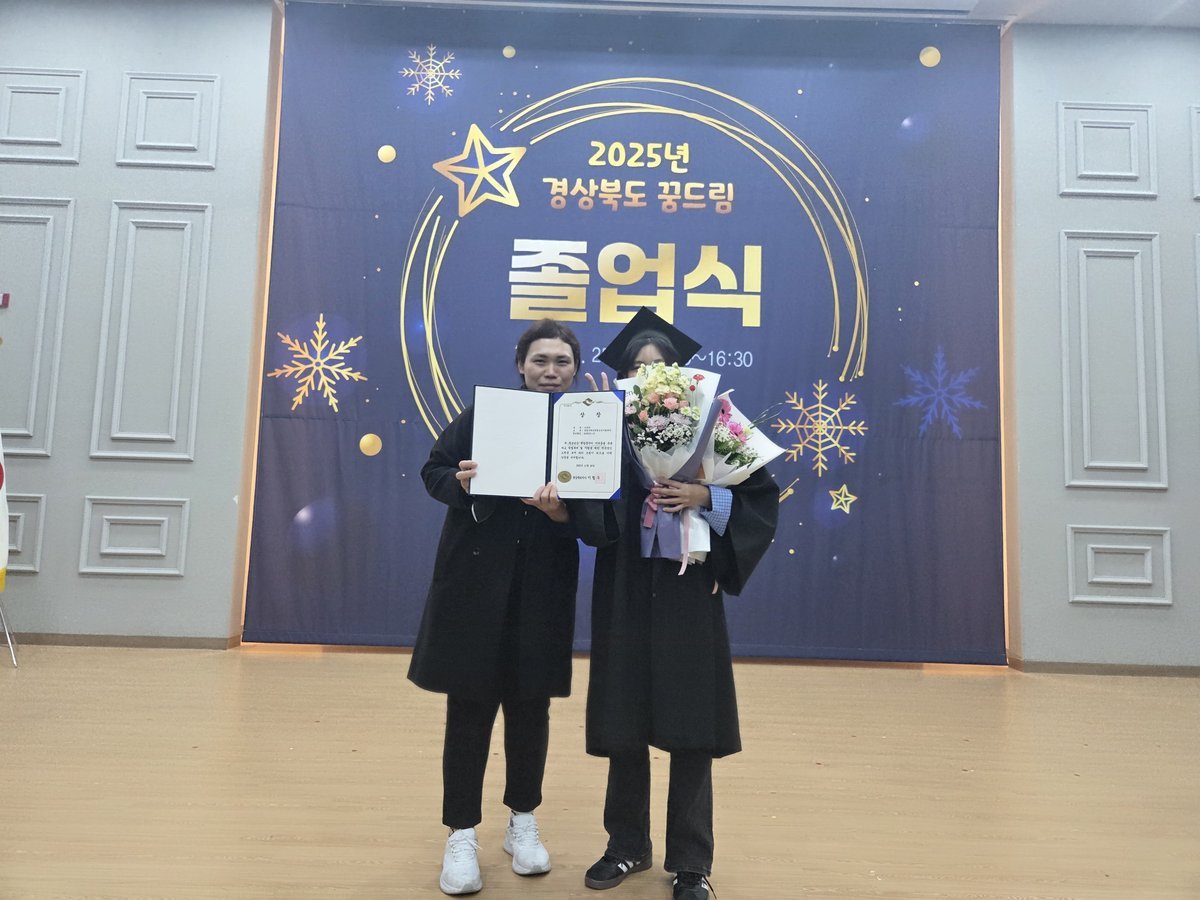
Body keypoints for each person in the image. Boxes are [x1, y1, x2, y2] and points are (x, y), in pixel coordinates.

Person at [578, 309, 779, 900]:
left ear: (680, 374)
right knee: (625, 720)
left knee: (692, 724)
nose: (649, 376)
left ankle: (691, 862)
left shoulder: (715, 422)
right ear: (622, 375)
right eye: (637, 367)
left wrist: (703, 494)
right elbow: (586, 498)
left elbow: (760, 500)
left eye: (660, 366)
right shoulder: (605, 421)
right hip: (625, 583)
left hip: (689, 585)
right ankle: (626, 845)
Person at [408, 318, 585, 895]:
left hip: (543, 589)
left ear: (575, 370)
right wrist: (460, 482)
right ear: (520, 366)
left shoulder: (588, 426)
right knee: (469, 710)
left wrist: (562, 512)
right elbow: (434, 471)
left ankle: (522, 822)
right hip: (475, 586)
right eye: (540, 360)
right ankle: (461, 833)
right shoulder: (486, 416)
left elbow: (599, 514)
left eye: (561, 361)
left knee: (531, 708)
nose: (550, 371)